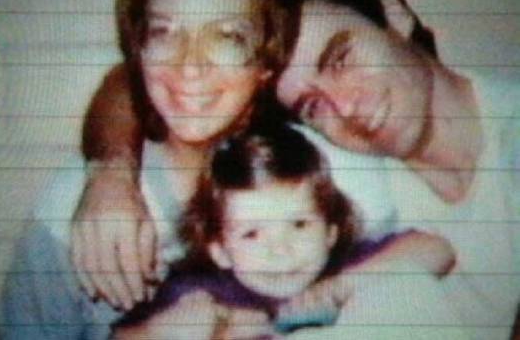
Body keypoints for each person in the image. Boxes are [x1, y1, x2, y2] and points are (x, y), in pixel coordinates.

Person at [75, 0, 520, 338]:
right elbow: (132, 80)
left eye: (341, 58)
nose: (345, 106)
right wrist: (111, 177)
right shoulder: (338, 165)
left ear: (395, 16)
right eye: (311, 105)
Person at [0, 0, 299, 338]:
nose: (190, 66)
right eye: (165, 32)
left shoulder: (308, 170)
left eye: (228, 36)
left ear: (267, 64)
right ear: (138, 47)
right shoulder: (74, 210)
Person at [111, 124, 454, 340]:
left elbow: (437, 251)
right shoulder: (201, 291)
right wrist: (161, 332)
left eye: (300, 224)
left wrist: (342, 286)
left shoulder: (337, 269)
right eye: (252, 234)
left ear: (331, 232)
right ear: (220, 251)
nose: (281, 250)